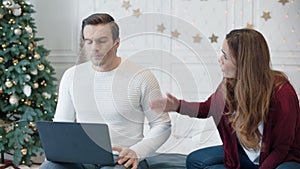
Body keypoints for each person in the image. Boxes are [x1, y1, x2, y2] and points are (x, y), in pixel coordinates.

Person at [150, 28, 300, 169]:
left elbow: (281, 149)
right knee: (195, 161)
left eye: (226, 56)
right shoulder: (230, 85)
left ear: (244, 63)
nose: (220, 60)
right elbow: (208, 108)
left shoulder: (282, 94)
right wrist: (177, 106)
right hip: (245, 155)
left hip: (282, 158)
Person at [40, 13, 171, 169]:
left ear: (117, 42)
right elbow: (61, 125)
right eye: (88, 42)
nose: (94, 48)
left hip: (123, 159)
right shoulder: (71, 76)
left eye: (102, 41)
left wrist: (137, 151)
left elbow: (162, 124)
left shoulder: (141, 77)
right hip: (83, 157)